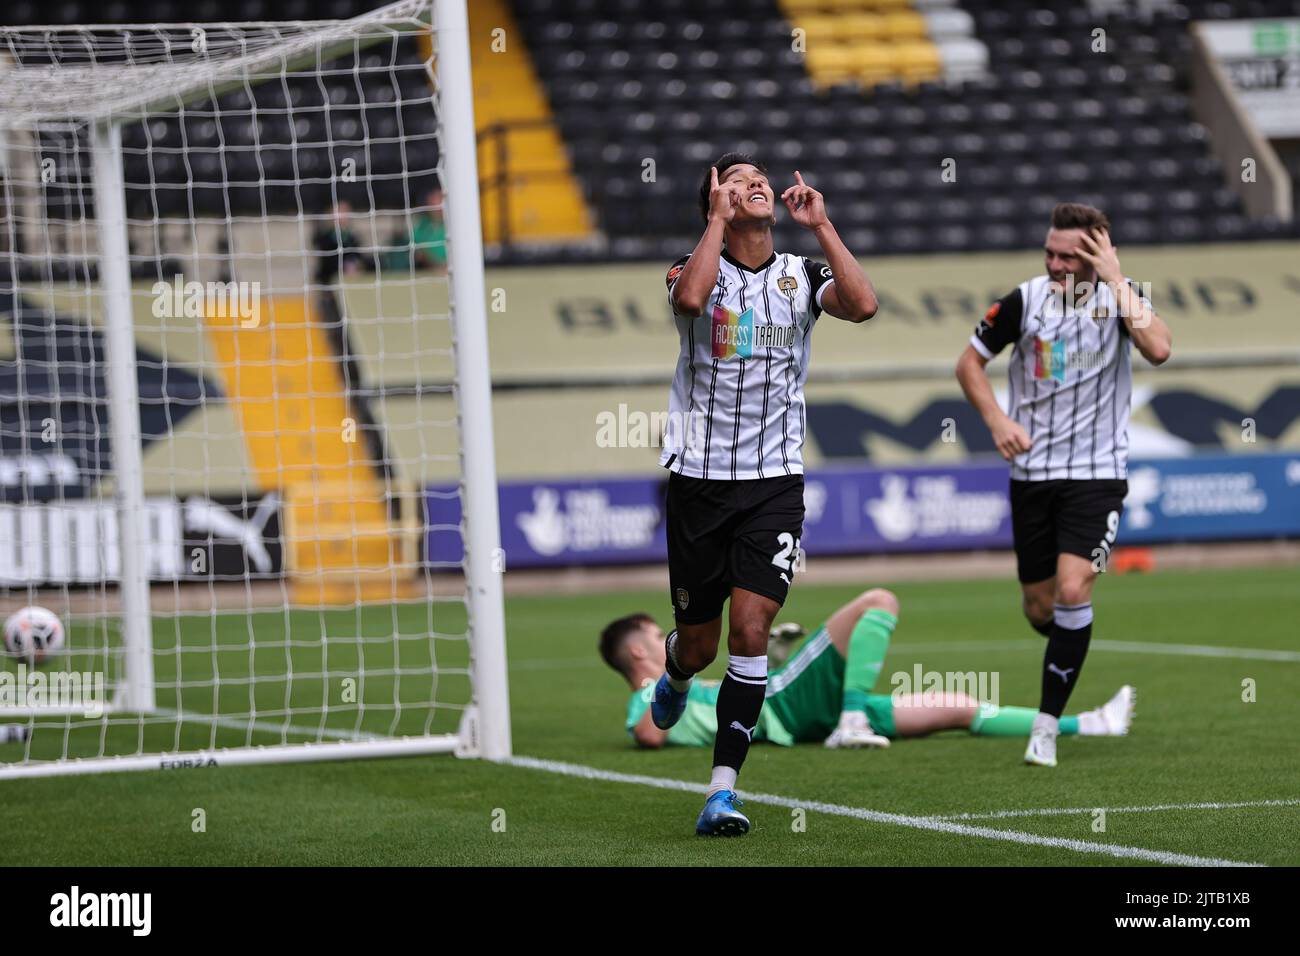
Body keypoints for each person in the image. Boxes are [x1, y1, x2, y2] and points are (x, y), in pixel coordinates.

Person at [652, 153, 878, 836]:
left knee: (750, 630)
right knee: (700, 646)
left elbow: (863, 305)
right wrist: (715, 223)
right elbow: (690, 302)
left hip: (774, 484)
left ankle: (722, 789)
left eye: (759, 177)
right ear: (714, 201)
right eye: (735, 179)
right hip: (698, 483)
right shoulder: (688, 271)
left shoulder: (800, 276)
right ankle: (675, 670)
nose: (755, 183)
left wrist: (824, 225)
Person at [954, 202, 1171, 768]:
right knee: (1040, 608)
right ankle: (1072, 648)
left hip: (1097, 475)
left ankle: (1045, 728)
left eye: (1067, 255)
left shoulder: (1121, 298)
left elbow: (1160, 349)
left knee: (1074, 591)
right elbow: (968, 364)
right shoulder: (1023, 301)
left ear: (1096, 253)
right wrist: (998, 421)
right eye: (1049, 252)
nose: (1054, 263)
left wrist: (1118, 278)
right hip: (1032, 476)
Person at [600, 588, 1134, 760]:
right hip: (786, 703)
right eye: (655, 636)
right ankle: (853, 716)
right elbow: (648, 731)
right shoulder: (647, 695)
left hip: (790, 710)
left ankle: (1081, 724)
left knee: (957, 706)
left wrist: (774, 658)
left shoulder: (669, 687)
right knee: (879, 600)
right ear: (640, 656)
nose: (666, 641)